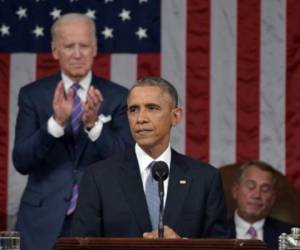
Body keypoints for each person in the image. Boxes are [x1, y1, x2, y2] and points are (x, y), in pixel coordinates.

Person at [12, 13, 134, 250]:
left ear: (95, 48)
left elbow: (128, 161)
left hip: (102, 220)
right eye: (69, 46)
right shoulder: (32, 95)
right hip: (41, 221)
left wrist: (94, 125)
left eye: (84, 45)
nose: (77, 54)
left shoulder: (118, 96)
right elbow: (21, 161)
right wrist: (55, 123)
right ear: (55, 50)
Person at [72, 76, 229, 238]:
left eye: (152, 108)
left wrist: (183, 245)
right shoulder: (99, 177)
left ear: (175, 117)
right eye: (133, 110)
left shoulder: (205, 179)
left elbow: (220, 244)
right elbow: (82, 244)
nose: (141, 119)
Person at [229, 160, 293, 250]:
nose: (257, 195)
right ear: (235, 191)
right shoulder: (212, 232)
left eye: (265, 189)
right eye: (251, 186)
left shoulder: (290, 235)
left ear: (273, 198)